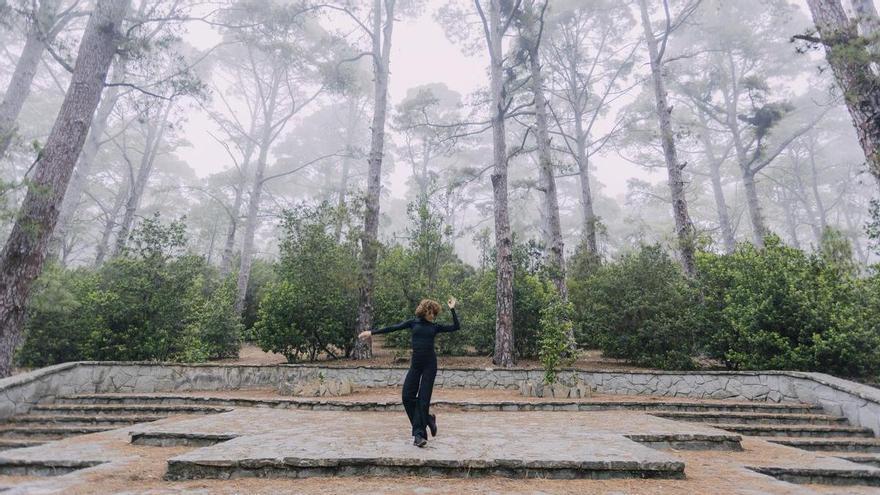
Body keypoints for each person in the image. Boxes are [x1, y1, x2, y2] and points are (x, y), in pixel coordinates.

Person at [358, 297, 459, 447]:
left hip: (430, 366)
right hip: (416, 365)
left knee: (423, 400)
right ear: (424, 311)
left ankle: (419, 436)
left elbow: (456, 326)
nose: (433, 316)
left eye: (434, 314)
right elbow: (393, 327)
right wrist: (371, 332)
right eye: (431, 312)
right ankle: (428, 419)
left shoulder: (435, 327)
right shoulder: (413, 323)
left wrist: (452, 309)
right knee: (407, 396)